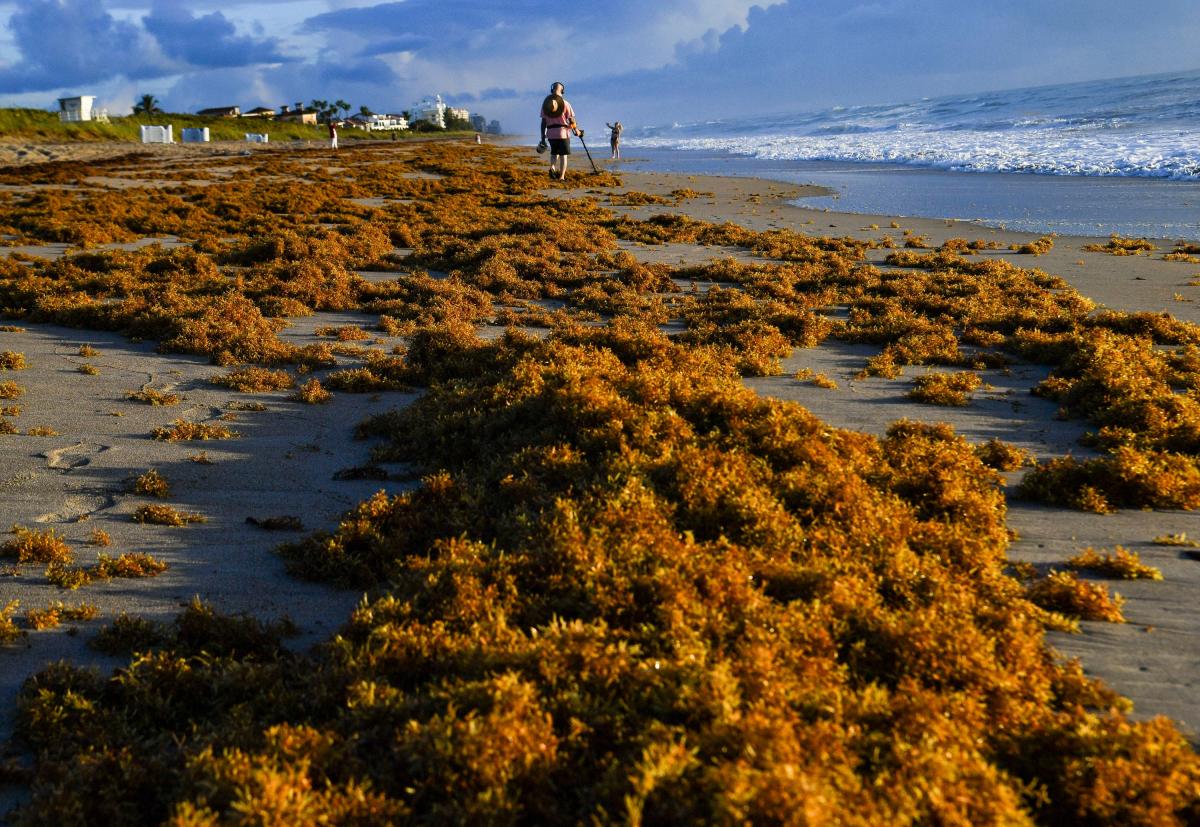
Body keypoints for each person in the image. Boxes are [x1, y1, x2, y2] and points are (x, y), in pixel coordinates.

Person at [539, 82, 581, 181]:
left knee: (554, 153)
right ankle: (561, 177)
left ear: (552, 90)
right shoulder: (566, 103)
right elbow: (571, 120)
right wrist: (576, 130)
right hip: (562, 133)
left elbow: (543, 122)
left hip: (551, 134)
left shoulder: (546, 105)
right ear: (562, 90)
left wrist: (542, 137)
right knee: (563, 156)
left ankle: (552, 167)